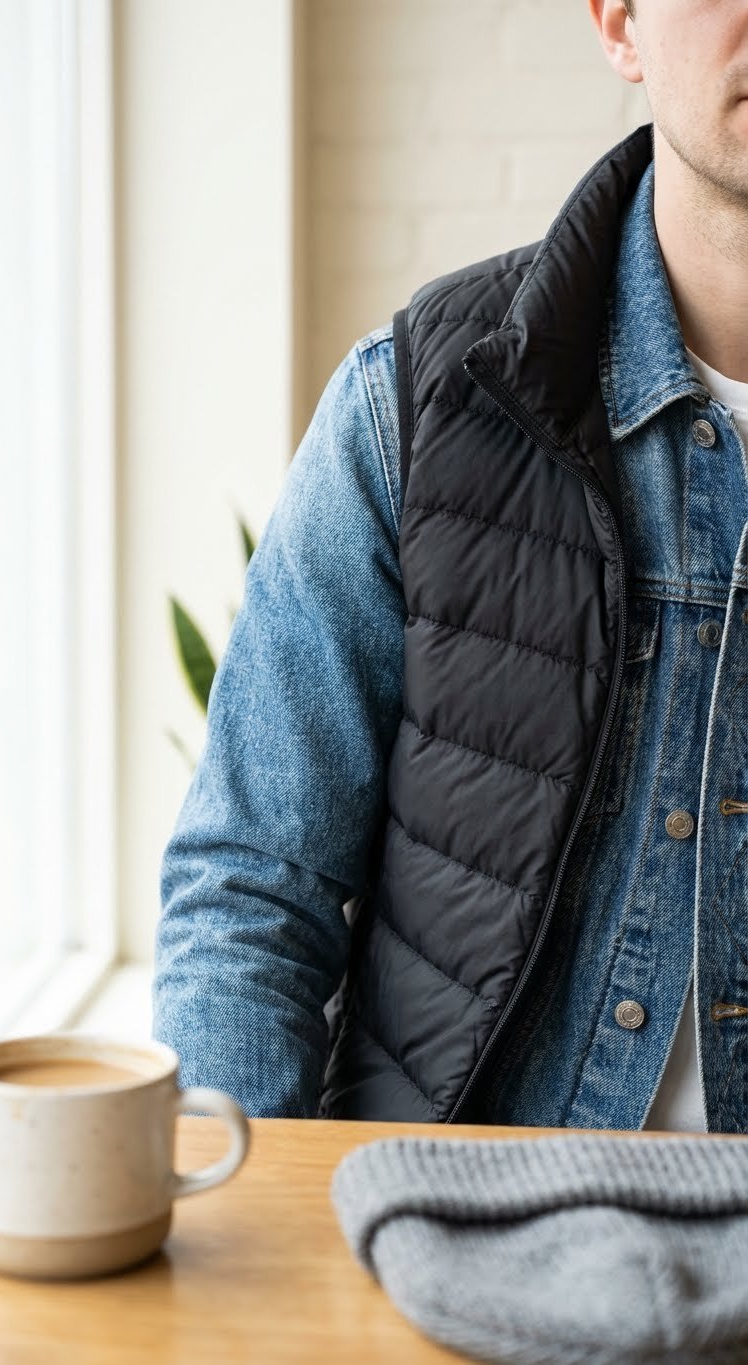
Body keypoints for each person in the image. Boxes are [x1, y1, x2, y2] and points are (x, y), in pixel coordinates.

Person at [152, 0, 748, 1133]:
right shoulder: (417, 405)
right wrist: (246, 1254)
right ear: (620, 24)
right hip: (442, 1248)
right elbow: (252, 895)